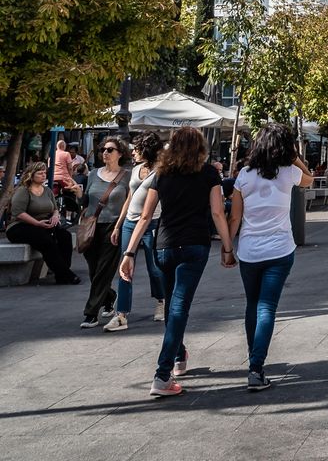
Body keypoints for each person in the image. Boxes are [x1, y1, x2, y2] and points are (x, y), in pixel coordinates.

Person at [120, 126, 236, 397]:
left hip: (164, 246)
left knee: (173, 305)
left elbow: (146, 217)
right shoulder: (209, 173)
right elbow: (218, 213)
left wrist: (129, 252)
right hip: (194, 245)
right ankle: (162, 376)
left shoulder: (162, 174)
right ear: (200, 147)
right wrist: (228, 247)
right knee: (178, 308)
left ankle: (178, 355)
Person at [229, 122, 314, 390]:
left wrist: (227, 247)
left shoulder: (244, 174)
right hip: (279, 250)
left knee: (252, 304)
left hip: (249, 251)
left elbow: (235, 215)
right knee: (267, 307)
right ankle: (256, 367)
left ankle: (254, 360)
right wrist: (296, 156)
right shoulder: (289, 173)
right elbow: (309, 178)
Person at [105, 132, 166, 331]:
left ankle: (161, 301)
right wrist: (118, 225)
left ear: (146, 150)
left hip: (152, 223)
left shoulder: (162, 171)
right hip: (130, 223)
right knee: (125, 266)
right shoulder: (136, 169)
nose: (133, 152)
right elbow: (129, 198)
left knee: (154, 268)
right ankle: (121, 314)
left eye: (137, 148)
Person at [79, 138, 130, 327]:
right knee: (94, 270)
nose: (105, 153)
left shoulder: (127, 176)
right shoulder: (92, 174)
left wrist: (120, 225)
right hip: (91, 226)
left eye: (110, 149)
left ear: (120, 153)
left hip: (114, 226)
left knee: (103, 269)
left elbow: (129, 202)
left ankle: (91, 313)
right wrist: (77, 194)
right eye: (103, 149)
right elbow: (85, 202)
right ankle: (110, 296)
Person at [5, 162, 80, 284]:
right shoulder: (23, 190)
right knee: (46, 241)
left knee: (65, 236)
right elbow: (18, 213)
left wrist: (55, 217)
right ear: (31, 175)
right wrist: (36, 223)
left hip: (44, 224)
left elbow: (55, 209)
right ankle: (66, 275)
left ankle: (62, 272)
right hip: (20, 226)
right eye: (40, 173)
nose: (43, 175)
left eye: (44, 173)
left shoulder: (47, 191)